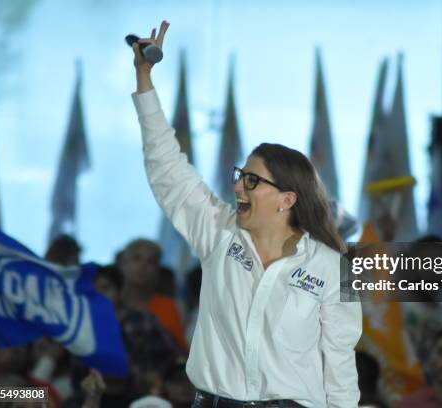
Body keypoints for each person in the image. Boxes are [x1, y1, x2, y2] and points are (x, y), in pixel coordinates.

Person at [131, 20, 362, 408]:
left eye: (252, 181)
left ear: (287, 199)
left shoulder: (334, 268)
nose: (238, 186)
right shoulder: (218, 232)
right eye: (240, 176)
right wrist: (144, 79)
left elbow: (340, 365)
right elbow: (166, 167)